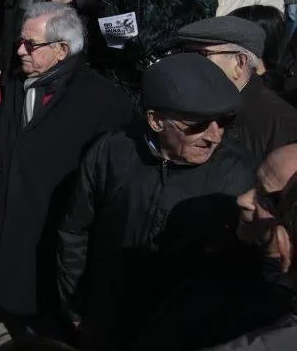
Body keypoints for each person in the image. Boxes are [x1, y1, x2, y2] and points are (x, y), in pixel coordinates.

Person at [56, 53, 257, 350]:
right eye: (197, 125)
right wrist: (75, 306)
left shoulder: (238, 175)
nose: (214, 136)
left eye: (223, 120)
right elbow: (74, 232)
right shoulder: (111, 152)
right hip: (108, 323)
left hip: (186, 335)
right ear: (157, 120)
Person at [0, 2, 133, 340]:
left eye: (30, 44)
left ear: (61, 49)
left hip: (57, 241)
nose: (19, 50)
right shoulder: (16, 82)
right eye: (20, 41)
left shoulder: (104, 101)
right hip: (12, 234)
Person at [129, 144, 297, 351]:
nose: (243, 199)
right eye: (254, 183)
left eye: (265, 198)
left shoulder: (271, 315)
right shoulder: (225, 248)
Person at [175, 16, 297, 162]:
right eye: (186, 53)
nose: (189, 64)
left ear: (239, 63)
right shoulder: (183, 105)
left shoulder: (283, 125)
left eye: (201, 55)